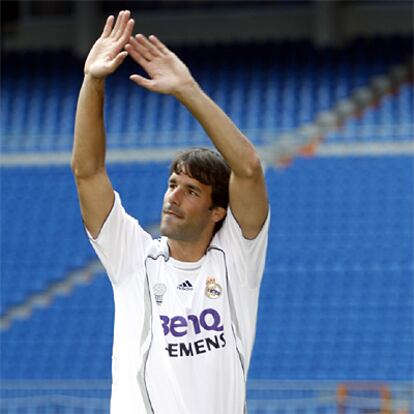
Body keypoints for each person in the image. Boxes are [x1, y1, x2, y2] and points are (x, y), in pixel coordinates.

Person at [71, 10, 270, 414]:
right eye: (172, 185)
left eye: (191, 190)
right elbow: (87, 172)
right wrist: (93, 81)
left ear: (218, 212)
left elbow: (248, 169)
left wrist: (187, 90)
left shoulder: (236, 258)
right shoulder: (133, 258)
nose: (173, 197)